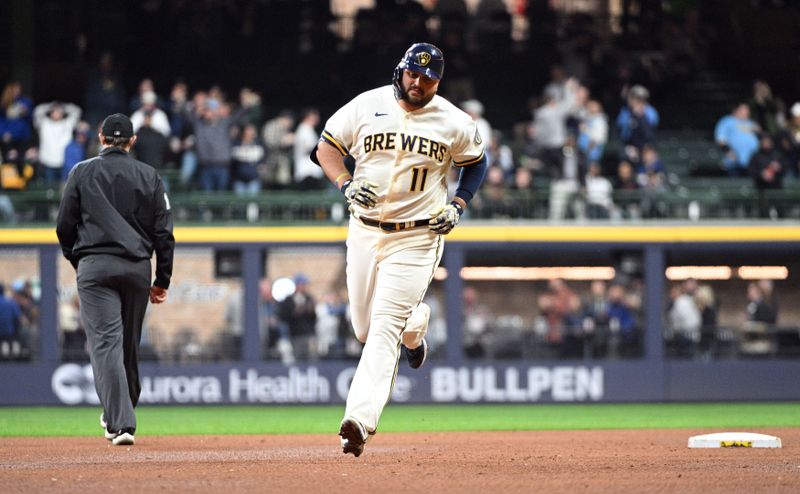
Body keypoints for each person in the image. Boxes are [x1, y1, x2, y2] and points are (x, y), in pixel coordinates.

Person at [312, 42, 486, 456]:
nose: (418, 82)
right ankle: (417, 325)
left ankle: (357, 421)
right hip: (364, 230)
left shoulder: (454, 121)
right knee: (364, 329)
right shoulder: (366, 104)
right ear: (401, 70)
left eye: (428, 78)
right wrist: (346, 184)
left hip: (417, 236)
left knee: (384, 327)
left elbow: (476, 161)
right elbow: (326, 149)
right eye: (413, 73)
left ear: (438, 82)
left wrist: (459, 204)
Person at [55, 113, 175, 446]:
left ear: (100, 137)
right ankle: (120, 414)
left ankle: (120, 422)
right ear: (132, 141)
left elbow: (64, 224)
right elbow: (164, 233)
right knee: (127, 346)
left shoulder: (81, 171)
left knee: (106, 344)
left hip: (95, 265)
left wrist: (75, 258)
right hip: (136, 267)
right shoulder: (149, 175)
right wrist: (162, 278)